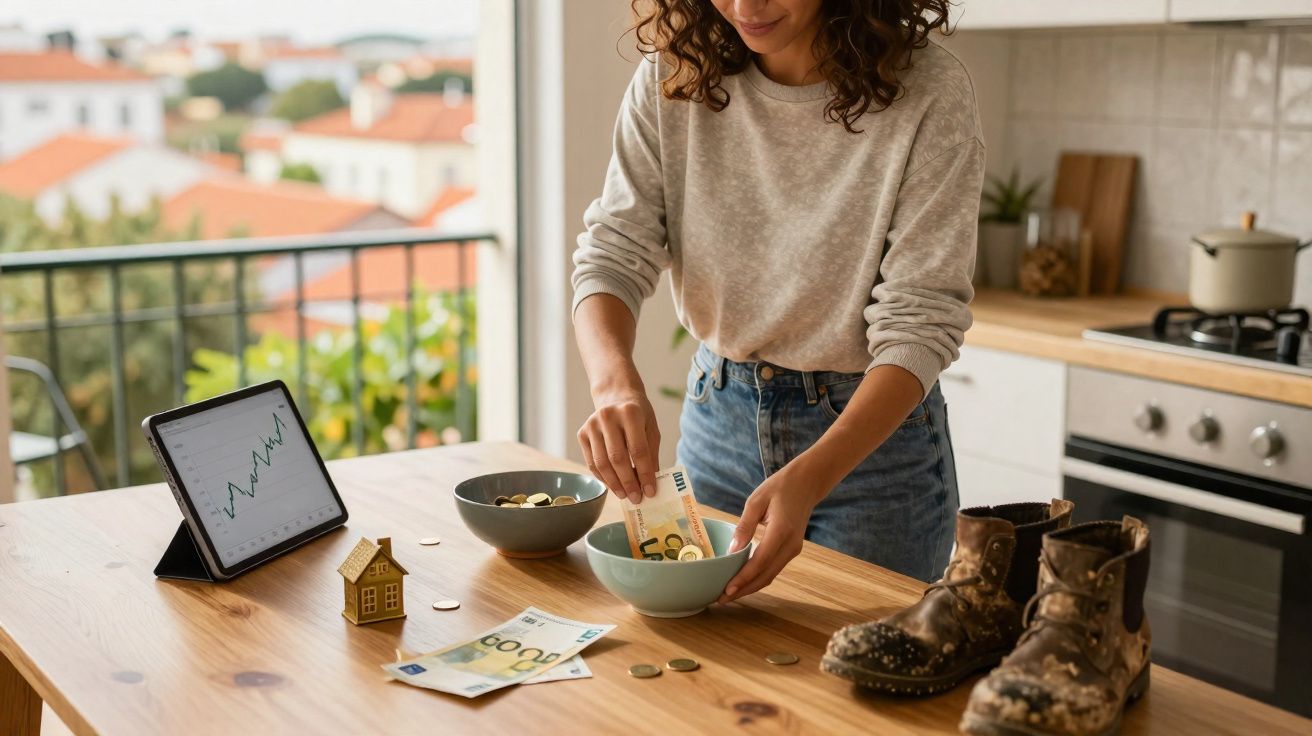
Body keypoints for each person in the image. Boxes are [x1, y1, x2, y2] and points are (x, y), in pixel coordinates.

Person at [570, 0, 982, 599]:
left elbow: (919, 326)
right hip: (718, 423)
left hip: (872, 454)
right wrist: (614, 385)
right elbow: (612, 253)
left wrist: (815, 474)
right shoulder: (673, 73)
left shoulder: (929, 91)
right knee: (707, 674)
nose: (744, 7)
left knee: (856, 681)